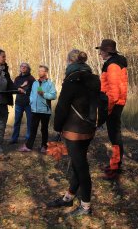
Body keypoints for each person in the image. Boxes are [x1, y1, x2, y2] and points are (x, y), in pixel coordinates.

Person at [47, 50, 99, 217]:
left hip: (74, 130)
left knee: (81, 167)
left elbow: (62, 107)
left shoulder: (71, 80)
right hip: (89, 128)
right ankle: (69, 197)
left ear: (70, 61)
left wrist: (57, 127)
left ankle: (85, 207)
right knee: (78, 164)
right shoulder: (93, 78)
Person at [96, 39, 128, 180]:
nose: (100, 53)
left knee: (114, 136)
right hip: (115, 103)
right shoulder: (114, 62)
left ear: (107, 51)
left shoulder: (113, 65)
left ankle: (115, 167)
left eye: (101, 51)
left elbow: (114, 92)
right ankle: (115, 164)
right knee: (115, 135)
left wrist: (107, 110)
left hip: (113, 105)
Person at [18, 65, 57, 153]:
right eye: (38, 71)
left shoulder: (50, 83)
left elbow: (54, 96)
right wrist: (31, 103)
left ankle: (44, 146)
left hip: (45, 110)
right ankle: (28, 146)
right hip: (35, 110)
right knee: (33, 129)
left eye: (41, 71)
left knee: (44, 129)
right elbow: (32, 94)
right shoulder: (35, 83)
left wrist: (44, 94)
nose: (39, 72)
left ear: (46, 72)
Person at [10, 63, 35, 144]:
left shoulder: (31, 79)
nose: (23, 68)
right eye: (21, 66)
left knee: (30, 122)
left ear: (28, 69)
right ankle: (14, 139)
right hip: (19, 103)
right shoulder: (17, 78)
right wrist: (20, 87)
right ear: (20, 68)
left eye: (25, 67)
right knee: (17, 121)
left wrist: (24, 91)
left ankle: (28, 139)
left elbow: (34, 91)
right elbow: (14, 87)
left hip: (29, 103)